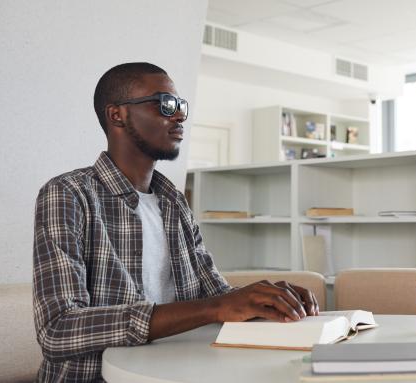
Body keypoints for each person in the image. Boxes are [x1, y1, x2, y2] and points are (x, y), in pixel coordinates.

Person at [32, 62, 319, 382]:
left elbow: (216, 295)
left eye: (181, 105)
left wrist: (265, 301)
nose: (180, 115)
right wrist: (216, 307)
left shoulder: (174, 202)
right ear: (118, 115)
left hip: (178, 371)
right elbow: (57, 329)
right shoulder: (68, 195)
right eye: (165, 104)